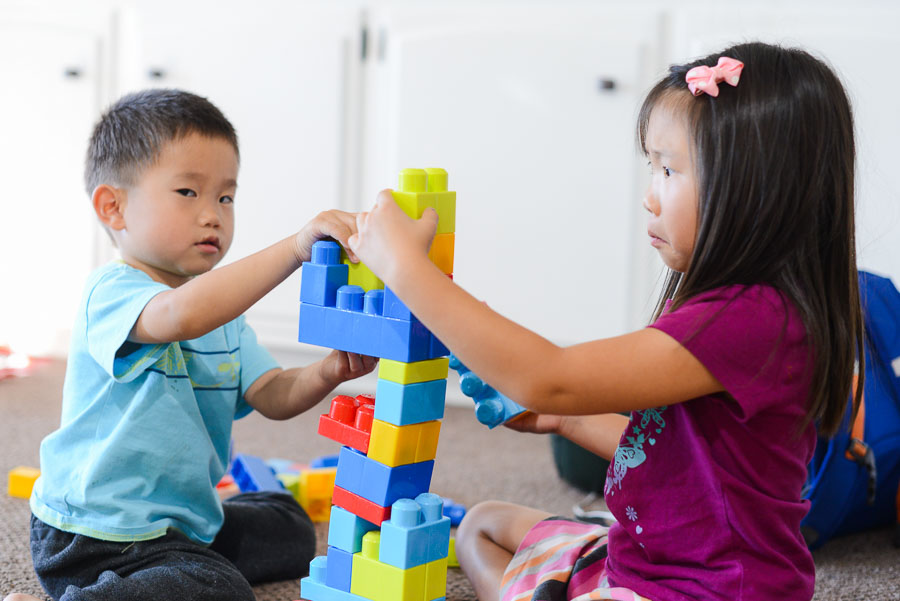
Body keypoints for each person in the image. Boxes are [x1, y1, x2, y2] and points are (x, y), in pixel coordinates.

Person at [346, 41, 863, 601]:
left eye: (668, 169)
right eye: (652, 166)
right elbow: (673, 460)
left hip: (709, 591)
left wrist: (404, 268)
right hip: (646, 561)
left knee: (492, 533)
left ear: (755, 188)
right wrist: (566, 422)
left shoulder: (754, 321)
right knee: (482, 523)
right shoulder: (727, 309)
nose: (649, 196)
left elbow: (551, 375)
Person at [4, 89, 375, 601]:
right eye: (188, 193)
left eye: (225, 197)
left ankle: (178, 568)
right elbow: (179, 316)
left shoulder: (222, 313)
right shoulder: (113, 294)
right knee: (219, 590)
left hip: (182, 522)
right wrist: (294, 248)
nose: (213, 215)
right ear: (114, 207)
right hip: (97, 536)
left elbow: (272, 392)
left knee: (291, 528)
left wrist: (328, 371)